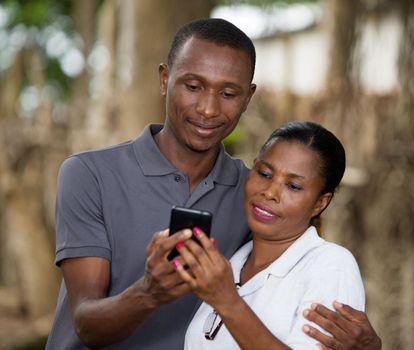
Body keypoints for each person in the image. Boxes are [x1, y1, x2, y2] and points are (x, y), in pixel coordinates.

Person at [46, 18, 381, 350]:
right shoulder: (90, 174)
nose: (208, 109)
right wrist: (148, 292)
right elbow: (85, 324)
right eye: (193, 86)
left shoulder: (253, 196)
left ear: (248, 97)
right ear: (165, 79)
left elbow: (296, 283)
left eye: (228, 93)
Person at [178, 121, 365, 349]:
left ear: (320, 203)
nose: (270, 192)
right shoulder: (235, 260)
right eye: (265, 173)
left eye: (293, 186)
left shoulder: (331, 266)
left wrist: (227, 302)